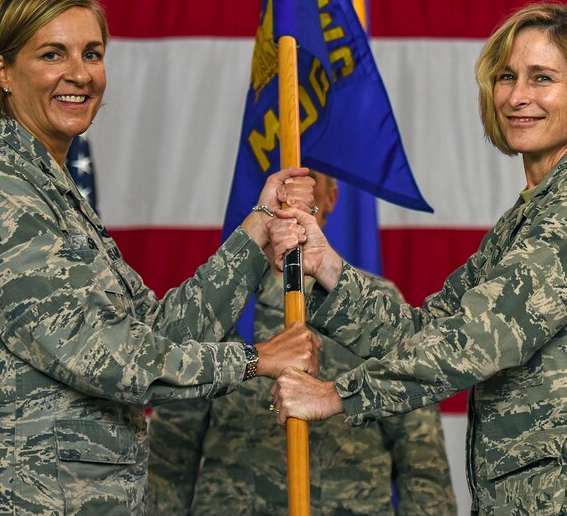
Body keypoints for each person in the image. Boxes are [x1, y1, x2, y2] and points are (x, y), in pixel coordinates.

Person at [0, 0, 322, 514]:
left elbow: (154, 334)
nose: (79, 74)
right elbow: (98, 356)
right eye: (52, 54)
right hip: (8, 497)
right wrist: (254, 359)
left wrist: (257, 230)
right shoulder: (0, 191)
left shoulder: (51, 190)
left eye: (92, 53)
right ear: (2, 71)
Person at [269, 2, 567, 514]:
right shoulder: (525, 219)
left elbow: (483, 338)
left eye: (542, 78)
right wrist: (326, 265)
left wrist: (337, 395)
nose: (518, 96)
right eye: (507, 76)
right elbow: (425, 331)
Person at [145, 172, 457, 514]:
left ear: (330, 199)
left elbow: (420, 452)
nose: (291, 200)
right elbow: (171, 453)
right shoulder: (217, 304)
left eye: (306, 185)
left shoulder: (376, 305)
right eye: (282, 188)